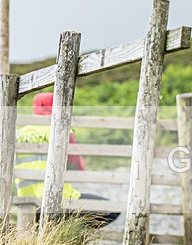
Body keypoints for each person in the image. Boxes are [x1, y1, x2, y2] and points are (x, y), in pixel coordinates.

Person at [15, 92, 119, 227]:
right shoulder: (60, 129)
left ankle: (52, 233)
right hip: (60, 198)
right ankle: (68, 235)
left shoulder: (19, 133)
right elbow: (76, 166)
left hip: (26, 200)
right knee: (113, 210)